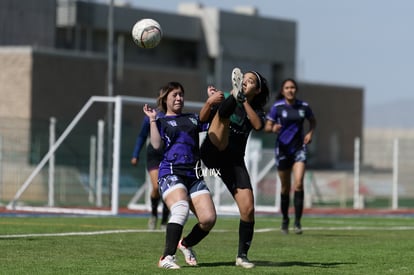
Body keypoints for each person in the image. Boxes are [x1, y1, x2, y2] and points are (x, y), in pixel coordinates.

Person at [200, 68, 269, 268]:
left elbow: (257, 125)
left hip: (233, 161)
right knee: (223, 113)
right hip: (212, 150)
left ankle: (242, 256)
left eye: (250, 81)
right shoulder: (225, 98)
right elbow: (203, 118)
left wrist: (242, 99)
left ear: (257, 90)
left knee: (248, 208)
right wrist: (211, 101)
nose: (246, 82)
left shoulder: (255, 110)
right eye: (243, 80)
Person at [143, 81, 217, 269]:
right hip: (171, 171)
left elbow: (213, 123)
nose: (178, 98)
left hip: (194, 174)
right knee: (181, 208)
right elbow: (156, 145)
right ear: (165, 99)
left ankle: (185, 244)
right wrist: (152, 119)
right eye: (174, 95)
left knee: (208, 219)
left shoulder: (193, 118)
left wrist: (212, 102)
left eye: (181, 94)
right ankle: (166, 258)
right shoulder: (161, 121)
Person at [264, 78, 316, 235]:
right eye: (287, 87)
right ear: (282, 91)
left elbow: (313, 121)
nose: (290, 90)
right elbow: (266, 127)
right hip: (283, 150)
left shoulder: (304, 107)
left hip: (299, 149)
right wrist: (273, 128)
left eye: (293, 87)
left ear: (296, 89)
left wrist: (310, 133)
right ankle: (285, 219)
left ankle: (298, 222)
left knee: (299, 184)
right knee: (285, 187)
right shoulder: (277, 107)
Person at [131, 89, 169, 230]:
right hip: (154, 155)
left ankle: (165, 220)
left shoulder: (173, 116)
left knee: (167, 188)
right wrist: (135, 154)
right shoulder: (151, 115)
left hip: (168, 155)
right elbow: (141, 136)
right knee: (156, 187)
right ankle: (153, 215)